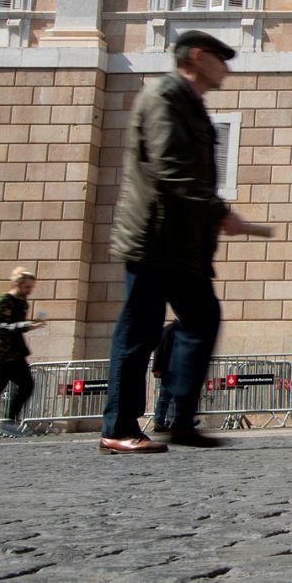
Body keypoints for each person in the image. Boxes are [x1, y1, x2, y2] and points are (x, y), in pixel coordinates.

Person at [101, 30, 267, 454]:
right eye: (220, 59)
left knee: (202, 320)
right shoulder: (164, 97)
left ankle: (179, 420)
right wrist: (221, 212)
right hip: (154, 238)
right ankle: (119, 427)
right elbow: (169, 168)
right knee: (139, 331)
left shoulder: (190, 103)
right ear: (197, 56)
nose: (226, 68)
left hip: (183, 245)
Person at [0, 268, 43, 441]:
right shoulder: (1, 300)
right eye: (28, 287)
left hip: (15, 354)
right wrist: (21, 326)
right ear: (18, 284)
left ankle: (10, 421)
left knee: (27, 384)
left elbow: (17, 325)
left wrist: (30, 325)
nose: (30, 290)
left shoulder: (22, 303)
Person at [149, 320, 181, 434]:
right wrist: (157, 368)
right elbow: (159, 349)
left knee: (172, 398)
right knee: (165, 397)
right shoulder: (170, 331)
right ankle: (159, 422)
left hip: (175, 369)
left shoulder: (174, 331)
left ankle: (171, 422)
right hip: (171, 370)